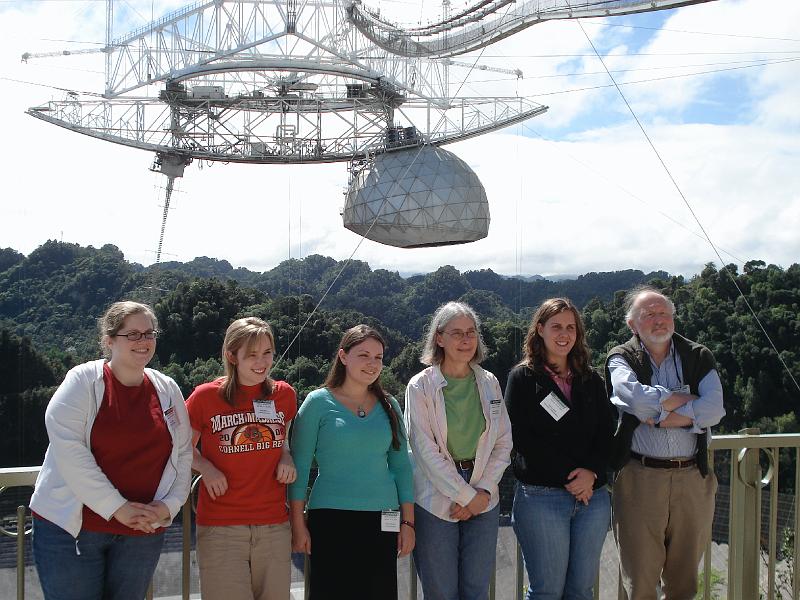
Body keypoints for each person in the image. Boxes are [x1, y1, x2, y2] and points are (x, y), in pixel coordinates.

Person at [29, 301, 193, 600]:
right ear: (108, 340)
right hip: (72, 531)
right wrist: (117, 507)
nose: (143, 341)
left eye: (149, 333)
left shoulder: (167, 389)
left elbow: (183, 453)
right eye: (132, 334)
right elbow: (69, 450)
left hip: (141, 530)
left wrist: (169, 505)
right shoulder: (82, 382)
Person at [606, 286, 725, 600]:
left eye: (663, 313)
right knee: (641, 583)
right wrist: (687, 401)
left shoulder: (698, 356)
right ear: (633, 325)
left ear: (673, 318)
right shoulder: (621, 357)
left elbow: (714, 409)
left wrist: (659, 413)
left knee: (684, 584)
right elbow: (634, 401)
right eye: (649, 314)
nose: (658, 320)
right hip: (639, 479)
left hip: (693, 479)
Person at [289, 325, 414, 600]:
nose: (372, 364)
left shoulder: (390, 405)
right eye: (364, 355)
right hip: (330, 518)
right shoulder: (317, 403)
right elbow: (298, 467)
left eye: (379, 357)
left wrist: (408, 522)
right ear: (343, 357)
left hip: (384, 518)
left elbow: (401, 466)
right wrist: (298, 523)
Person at [504, 298, 614, 600]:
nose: (564, 334)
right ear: (540, 329)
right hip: (542, 498)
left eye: (570, 327)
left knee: (581, 591)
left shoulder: (590, 380)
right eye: (556, 327)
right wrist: (572, 478)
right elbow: (521, 438)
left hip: (592, 499)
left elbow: (607, 432)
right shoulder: (523, 378)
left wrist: (591, 472)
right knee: (547, 592)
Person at [405, 301, 512, 600]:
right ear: (439, 338)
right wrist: (468, 498)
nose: (466, 340)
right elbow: (424, 451)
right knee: (441, 592)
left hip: (484, 493)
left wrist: (484, 494)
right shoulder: (420, 386)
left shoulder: (489, 381)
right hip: (436, 496)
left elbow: (503, 441)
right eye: (457, 333)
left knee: (476, 591)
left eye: (471, 332)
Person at [185, 317, 298, 600]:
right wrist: (206, 468)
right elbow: (180, 448)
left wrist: (286, 455)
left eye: (267, 353)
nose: (261, 362)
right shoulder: (205, 397)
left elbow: (280, 439)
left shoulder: (283, 395)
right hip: (221, 527)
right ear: (231, 355)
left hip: (273, 525)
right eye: (252, 354)